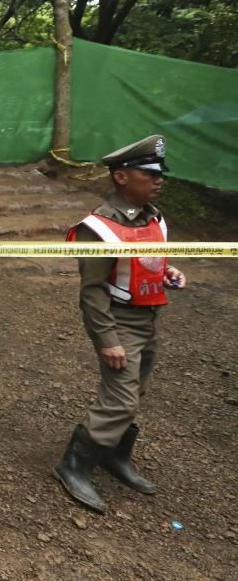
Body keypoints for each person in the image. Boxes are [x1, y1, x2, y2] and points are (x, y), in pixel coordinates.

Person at [54, 135, 187, 513]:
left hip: (150, 317)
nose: (159, 180)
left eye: (160, 173)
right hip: (120, 321)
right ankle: (73, 465)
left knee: (136, 392)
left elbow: (146, 264)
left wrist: (167, 272)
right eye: (149, 174)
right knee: (120, 399)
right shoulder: (96, 228)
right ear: (122, 177)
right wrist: (107, 339)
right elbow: (92, 292)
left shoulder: (154, 216)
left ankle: (114, 457)